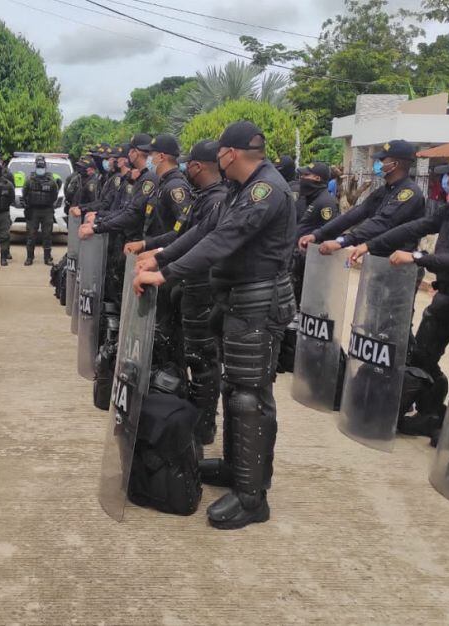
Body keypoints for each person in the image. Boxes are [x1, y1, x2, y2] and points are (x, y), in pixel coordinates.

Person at [134, 121, 296, 530]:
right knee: (234, 387)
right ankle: (235, 469)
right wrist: (162, 257)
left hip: (258, 303)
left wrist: (166, 275)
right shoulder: (240, 190)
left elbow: (226, 241)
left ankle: (252, 497)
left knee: (250, 396)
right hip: (237, 300)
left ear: (229, 153)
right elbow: (207, 230)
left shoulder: (267, 190)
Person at [348, 152, 449, 440]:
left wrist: (417, 257)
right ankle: (430, 413)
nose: (444, 178)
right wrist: (370, 244)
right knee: (423, 356)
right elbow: (416, 227)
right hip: (445, 296)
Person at [127, 139, 227, 445]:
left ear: (196, 166)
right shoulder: (207, 196)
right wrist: (157, 254)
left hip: (203, 284)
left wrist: (162, 266)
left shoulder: (215, 199)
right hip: (188, 281)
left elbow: (203, 244)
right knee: (184, 352)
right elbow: (186, 235)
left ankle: (203, 427)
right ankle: (187, 416)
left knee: (203, 360)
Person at [298, 140, 425, 257]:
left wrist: (343, 241)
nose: (377, 163)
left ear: (395, 164)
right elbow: (355, 214)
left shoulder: (409, 193)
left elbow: (382, 222)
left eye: (382, 159)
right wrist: (317, 234)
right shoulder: (384, 190)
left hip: (400, 266)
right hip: (381, 261)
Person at [278, 161, 339, 372]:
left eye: (307, 175)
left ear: (318, 179)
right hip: (295, 263)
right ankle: (288, 354)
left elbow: (329, 234)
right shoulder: (304, 199)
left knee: (307, 310)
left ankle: (301, 354)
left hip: (311, 268)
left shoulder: (326, 203)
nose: (302, 179)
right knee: (291, 310)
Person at [21, 155, 60, 266]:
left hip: (47, 211)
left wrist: (47, 204)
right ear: (35, 166)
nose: (40, 169)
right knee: (31, 235)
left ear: (45, 167)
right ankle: (29, 257)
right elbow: (24, 195)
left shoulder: (51, 181)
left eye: (42, 167)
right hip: (33, 211)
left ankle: (47, 258)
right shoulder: (29, 180)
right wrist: (27, 207)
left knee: (47, 235)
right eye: (38, 166)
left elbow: (54, 196)